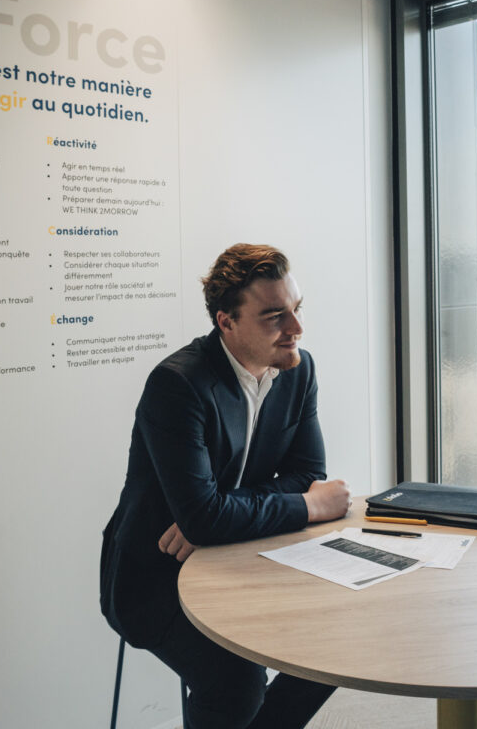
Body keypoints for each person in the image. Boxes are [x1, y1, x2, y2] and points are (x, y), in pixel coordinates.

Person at [100, 243, 349, 729]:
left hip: (246, 561)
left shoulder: (299, 371)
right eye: (274, 316)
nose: (295, 329)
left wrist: (217, 517)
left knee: (335, 638)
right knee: (236, 681)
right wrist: (306, 507)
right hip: (155, 580)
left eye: (296, 311)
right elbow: (218, 514)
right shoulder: (178, 385)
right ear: (226, 322)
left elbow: (304, 475)